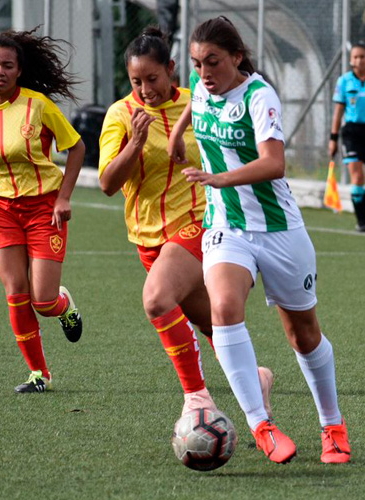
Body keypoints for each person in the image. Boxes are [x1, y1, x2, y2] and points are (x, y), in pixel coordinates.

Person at [168, 16, 350, 464]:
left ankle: (332, 426)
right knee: (224, 308)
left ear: (237, 57)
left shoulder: (258, 95)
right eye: (197, 63)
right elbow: (196, 101)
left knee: (302, 333)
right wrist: (176, 134)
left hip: (280, 231)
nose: (204, 72)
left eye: (213, 62)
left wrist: (218, 177)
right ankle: (260, 423)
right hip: (226, 229)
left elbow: (274, 163)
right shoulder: (201, 85)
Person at [98, 26, 273, 416]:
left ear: (172, 69)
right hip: (148, 239)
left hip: (200, 223)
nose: (146, 89)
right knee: (214, 326)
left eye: (153, 79)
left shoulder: (200, 101)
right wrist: (135, 145)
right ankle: (256, 379)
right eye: (136, 81)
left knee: (157, 299)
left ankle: (197, 399)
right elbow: (109, 183)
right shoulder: (121, 115)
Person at [0, 28, 86, 393]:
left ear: (19, 70)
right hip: (0, 210)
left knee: (42, 300)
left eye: (7, 66)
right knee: (15, 291)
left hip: (45, 207)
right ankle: (39, 374)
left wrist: (64, 197)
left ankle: (65, 306)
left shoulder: (38, 105)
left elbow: (75, 147)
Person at [330, 40, 365, 230]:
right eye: (356, 57)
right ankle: (361, 221)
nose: (359, 61)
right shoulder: (344, 81)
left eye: (362, 57)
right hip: (352, 133)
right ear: (351, 60)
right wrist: (333, 138)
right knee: (357, 177)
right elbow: (338, 111)